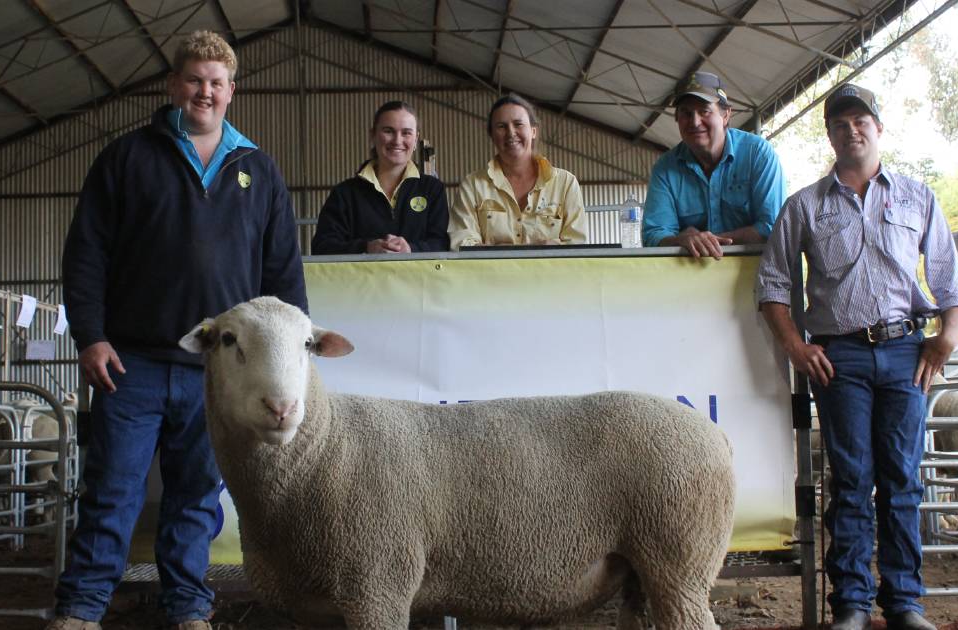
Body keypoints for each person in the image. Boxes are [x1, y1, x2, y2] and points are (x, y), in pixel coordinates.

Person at [52, 30, 307, 630]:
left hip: (219, 374)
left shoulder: (258, 171)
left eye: (217, 83)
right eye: (195, 80)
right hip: (130, 363)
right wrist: (90, 336)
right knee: (112, 491)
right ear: (174, 85)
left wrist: (289, 359)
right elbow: (86, 252)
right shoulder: (128, 157)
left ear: (232, 91)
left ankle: (188, 606)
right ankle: (81, 609)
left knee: (196, 498)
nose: (205, 92)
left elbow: (282, 278)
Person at [756, 83, 958, 630]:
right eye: (840, 123)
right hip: (840, 356)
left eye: (861, 121)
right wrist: (796, 348)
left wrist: (947, 336)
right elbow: (774, 286)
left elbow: (949, 276)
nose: (852, 130)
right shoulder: (804, 205)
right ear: (828, 134)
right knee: (851, 479)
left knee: (901, 478)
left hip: (907, 351)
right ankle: (851, 603)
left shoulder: (918, 197)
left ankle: (904, 602)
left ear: (878, 128)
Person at [642, 71, 785, 259]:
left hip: (755, 275)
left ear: (726, 115)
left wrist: (704, 241)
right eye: (686, 113)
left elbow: (773, 227)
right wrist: (681, 240)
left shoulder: (757, 154)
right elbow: (653, 235)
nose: (694, 121)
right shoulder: (666, 169)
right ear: (677, 119)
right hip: (693, 279)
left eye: (704, 111)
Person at [449, 93, 587, 249]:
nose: (511, 132)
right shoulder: (473, 186)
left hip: (549, 273)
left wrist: (493, 249)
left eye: (518, 124)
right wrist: (529, 251)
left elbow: (576, 245)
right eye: (501, 126)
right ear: (492, 136)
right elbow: (462, 244)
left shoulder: (565, 184)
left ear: (533, 131)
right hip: (492, 274)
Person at [311, 101, 449, 254]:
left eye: (406, 133)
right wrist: (366, 248)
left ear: (415, 140)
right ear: (373, 135)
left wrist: (412, 249)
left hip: (418, 278)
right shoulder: (345, 194)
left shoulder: (432, 189)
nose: (397, 140)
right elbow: (322, 246)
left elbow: (442, 243)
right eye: (388, 131)